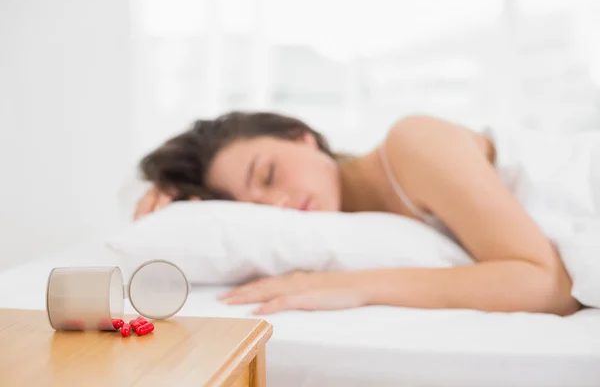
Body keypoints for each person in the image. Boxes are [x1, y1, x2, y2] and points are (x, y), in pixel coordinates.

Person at [134, 111, 600, 316]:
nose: (278, 204)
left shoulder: (411, 143)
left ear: (302, 136)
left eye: (270, 174)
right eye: (255, 208)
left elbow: (547, 286)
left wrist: (349, 288)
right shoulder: (351, 232)